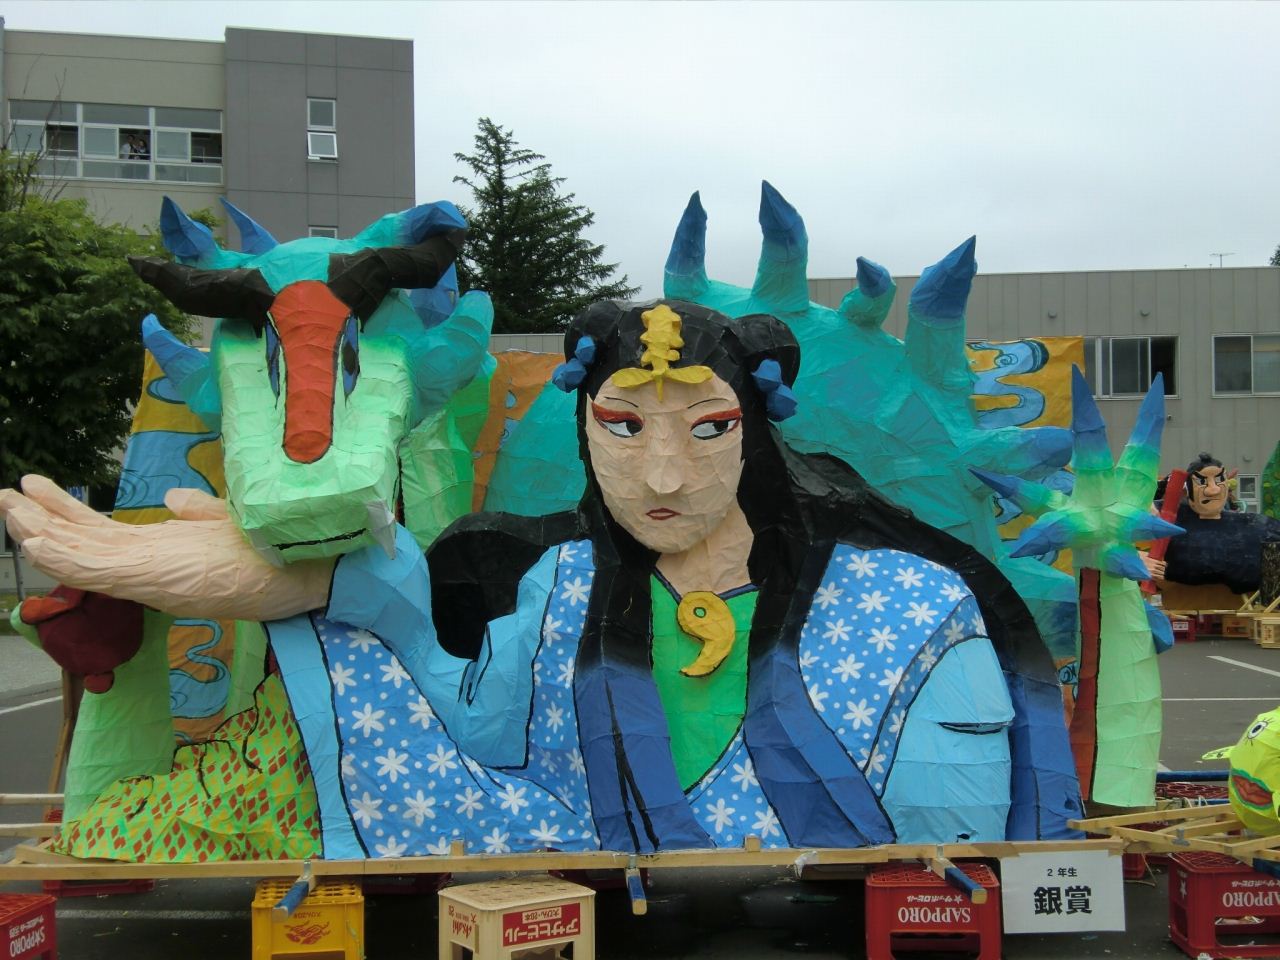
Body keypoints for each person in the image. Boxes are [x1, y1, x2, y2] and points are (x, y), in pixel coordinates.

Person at [1, 300, 1079, 861]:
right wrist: (329, 581)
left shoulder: (910, 609)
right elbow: (476, 734)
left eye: (708, 428)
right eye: (623, 427)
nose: (665, 476)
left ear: (755, 429)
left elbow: (958, 819)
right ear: (583, 428)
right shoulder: (564, 582)